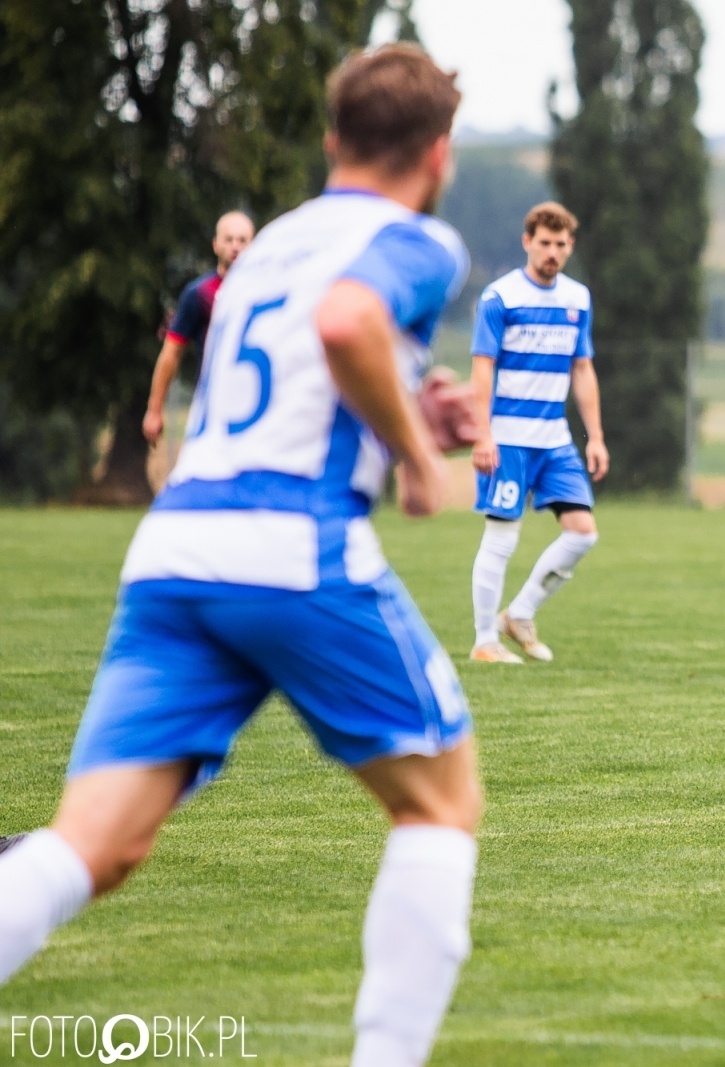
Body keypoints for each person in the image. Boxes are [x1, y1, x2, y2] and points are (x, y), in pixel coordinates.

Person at [0, 45, 484, 1067]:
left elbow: (310, 364)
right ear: (436, 155)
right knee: (442, 802)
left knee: (93, 843)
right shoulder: (419, 239)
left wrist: (409, 399)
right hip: (290, 547)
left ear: (330, 142)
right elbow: (349, 320)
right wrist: (412, 455)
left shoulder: (262, 248)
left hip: (174, 554)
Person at [466, 202, 608, 664]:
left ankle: (520, 613)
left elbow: (582, 369)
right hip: (507, 437)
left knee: (582, 532)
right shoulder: (499, 297)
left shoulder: (577, 299)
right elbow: (482, 370)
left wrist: (597, 436)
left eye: (561, 244)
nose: (552, 252)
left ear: (571, 247)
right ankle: (485, 640)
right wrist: (482, 434)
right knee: (502, 536)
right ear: (527, 242)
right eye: (544, 243)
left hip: (555, 439)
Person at [143, 211, 257, 445]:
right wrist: (155, 409)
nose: (235, 246)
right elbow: (172, 353)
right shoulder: (199, 293)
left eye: (242, 240)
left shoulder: (268, 291)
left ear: (253, 245)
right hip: (212, 405)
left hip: (257, 406)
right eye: (229, 239)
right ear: (216, 245)